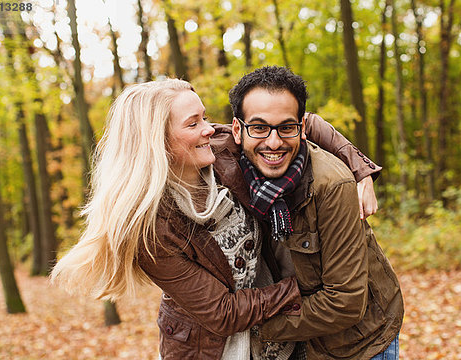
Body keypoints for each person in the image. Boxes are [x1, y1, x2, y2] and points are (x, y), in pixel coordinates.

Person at [50, 78, 375, 359]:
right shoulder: (150, 231)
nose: (209, 128)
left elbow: (303, 124)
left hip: (277, 336)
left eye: (204, 117)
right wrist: (300, 287)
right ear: (157, 143)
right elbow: (222, 313)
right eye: (193, 123)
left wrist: (362, 172)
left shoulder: (219, 149)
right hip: (212, 346)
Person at [210, 66, 404, 359]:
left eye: (286, 128)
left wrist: (255, 327)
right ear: (238, 130)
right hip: (296, 340)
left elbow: (345, 302)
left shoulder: (331, 185)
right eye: (259, 127)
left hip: (358, 343)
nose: (273, 142)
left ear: (300, 128)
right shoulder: (225, 161)